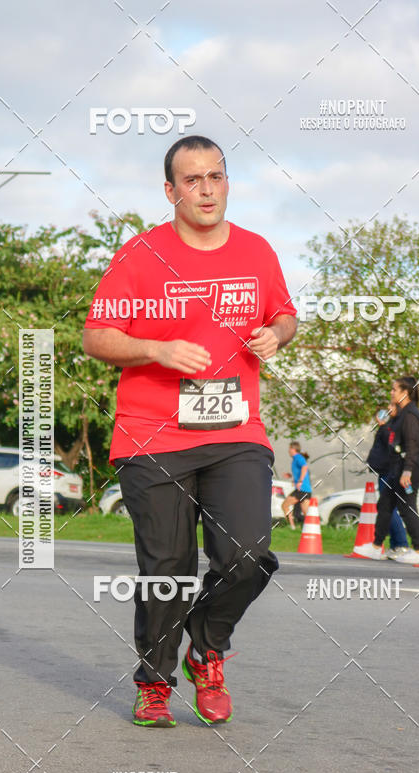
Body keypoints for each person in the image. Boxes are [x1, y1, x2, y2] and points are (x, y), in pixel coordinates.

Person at [83, 135, 297, 727]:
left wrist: (278, 333)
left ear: (227, 182)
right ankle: (155, 681)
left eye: (216, 177)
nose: (206, 189)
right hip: (153, 437)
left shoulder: (257, 251)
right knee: (166, 570)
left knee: (248, 555)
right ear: (172, 190)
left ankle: (207, 646)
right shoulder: (141, 254)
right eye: (193, 180)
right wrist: (155, 349)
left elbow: (284, 312)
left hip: (235, 432)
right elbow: (96, 337)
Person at [359, 376, 419, 564]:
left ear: (405, 393)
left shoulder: (411, 415)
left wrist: (407, 471)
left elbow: (413, 444)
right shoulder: (402, 414)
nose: (391, 392)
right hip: (400, 466)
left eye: (394, 390)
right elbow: (392, 439)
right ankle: (375, 547)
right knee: (385, 504)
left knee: (407, 506)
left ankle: (418, 550)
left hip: (411, 467)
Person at [366, 403, 409, 559]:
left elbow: (393, 446)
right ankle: (395, 545)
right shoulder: (389, 427)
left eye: (392, 406)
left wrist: (383, 426)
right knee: (386, 508)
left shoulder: (393, 427)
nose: (387, 409)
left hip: (391, 471)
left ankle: (402, 544)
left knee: (388, 508)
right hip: (385, 470)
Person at [281, 441, 312, 529]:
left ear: (293, 449)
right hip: (307, 490)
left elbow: (304, 467)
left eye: (289, 448)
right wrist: (291, 476)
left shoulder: (298, 457)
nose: (288, 451)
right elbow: (300, 471)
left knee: (284, 505)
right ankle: (310, 529)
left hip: (301, 489)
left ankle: (292, 527)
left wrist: (300, 481)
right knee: (306, 513)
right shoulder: (296, 458)